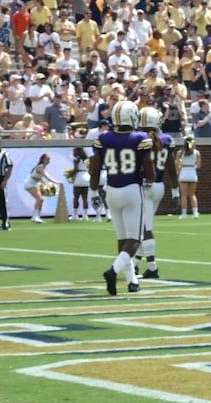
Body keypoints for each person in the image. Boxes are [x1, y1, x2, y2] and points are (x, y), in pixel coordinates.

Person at [90, 101, 155, 295]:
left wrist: (93, 192)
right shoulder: (140, 138)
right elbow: (149, 170)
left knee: (122, 239)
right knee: (135, 239)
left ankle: (131, 281)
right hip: (132, 189)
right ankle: (113, 270)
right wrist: (149, 179)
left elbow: (95, 168)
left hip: (111, 190)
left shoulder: (103, 138)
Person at [135, 108, 174, 278]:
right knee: (142, 227)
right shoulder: (166, 140)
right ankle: (136, 264)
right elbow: (172, 168)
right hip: (159, 186)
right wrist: (176, 192)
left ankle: (152, 267)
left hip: (145, 186)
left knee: (145, 228)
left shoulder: (140, 140)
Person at [24, 153, 59, 223]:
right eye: (47, 159)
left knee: (41, 200)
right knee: (39, 199)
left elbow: (38, 176)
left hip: (34, 184)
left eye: (49, 159)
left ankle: (37, 216)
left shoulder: (43, 167)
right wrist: (57, 182)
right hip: (30, 184)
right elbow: (47, 176)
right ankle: (35, 217)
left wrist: (44, 183)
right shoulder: (40, 167)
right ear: (43, 160)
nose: (49, 160)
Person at [66, 146, 94, 221]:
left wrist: (69, 174)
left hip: (79, 177)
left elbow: (75, 169)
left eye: (74, 151)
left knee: (76, 197)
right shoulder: (86, 159)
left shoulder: (76, 159)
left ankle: (75, 215)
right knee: (85, 198)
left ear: (77, 152)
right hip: (86, 177)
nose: (73, 152)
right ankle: (85, 216)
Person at [176, 137, 201, 218]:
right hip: (192, 173)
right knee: (192, 194)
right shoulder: (197, 152)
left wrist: (181, 167)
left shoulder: (180, 152)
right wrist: (192, 166)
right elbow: (198, 165)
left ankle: (184, 214)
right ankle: (195, 213)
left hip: (183, 172)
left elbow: (177, 165)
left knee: (184, 195)